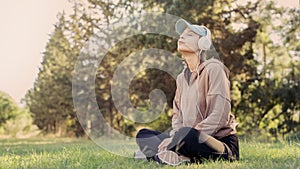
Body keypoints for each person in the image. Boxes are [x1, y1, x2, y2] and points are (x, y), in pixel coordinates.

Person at [135, 18, 239, 166]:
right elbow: (177, 116)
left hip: (218, 143)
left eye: (189, 35)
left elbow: (219, 116)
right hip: (184, 138)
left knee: (188, 134)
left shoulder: (214, 69)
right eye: (182, 34)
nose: (182, 37)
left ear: (203, 43)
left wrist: (177, 139)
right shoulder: (181, 78)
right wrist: (174, 137)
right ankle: (176, 155)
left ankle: (162, 154)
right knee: (143, 135)